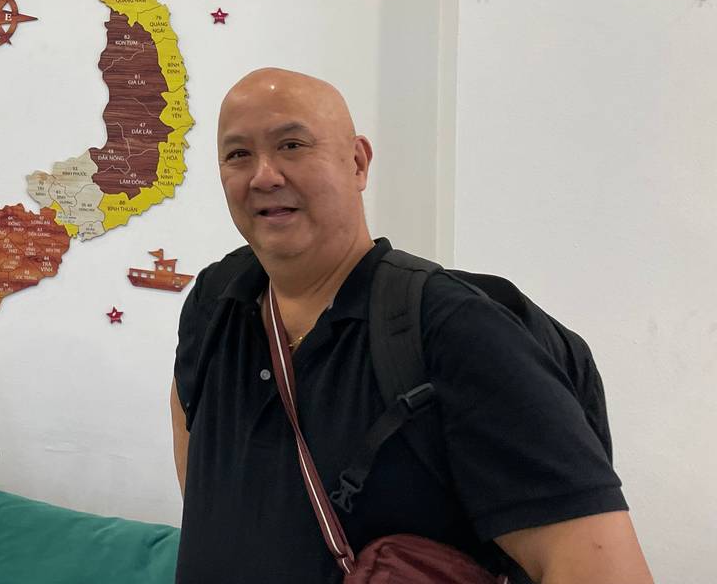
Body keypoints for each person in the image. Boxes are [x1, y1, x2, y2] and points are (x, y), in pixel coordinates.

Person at [170, 68, 651, 583]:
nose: (264, 176)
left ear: (357, 162)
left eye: (292, 145)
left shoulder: (457, 331)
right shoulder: (214, 300)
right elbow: (199, 464)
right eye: (238, 154)